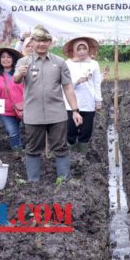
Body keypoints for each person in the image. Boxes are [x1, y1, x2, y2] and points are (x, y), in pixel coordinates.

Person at [14, 25, 83, 182]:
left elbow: (67, 87)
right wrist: (20, 73)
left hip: (56, 114)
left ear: (50, 42)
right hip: (33, 114)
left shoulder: (59, 62)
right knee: (32, 149)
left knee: (60, 147)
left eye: (45, 41)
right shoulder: (23, 62)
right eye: (38, 40)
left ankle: (63, 181)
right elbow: (16, 79)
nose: (41, 44)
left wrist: (75, 110)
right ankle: (33, 182)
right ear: (33, 42)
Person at [62, 36, 103, 153]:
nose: (81, 52)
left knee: (86, 131)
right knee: (71, 130)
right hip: (70, 104)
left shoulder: (94, 64)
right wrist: (76, 81)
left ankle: (82, 154)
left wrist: (98, 101)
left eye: (84, 48)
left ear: (88, 49)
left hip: (88, 103)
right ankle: (71, 153)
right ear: (73, 50)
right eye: (78, 49)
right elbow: (64, 84)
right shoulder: (67, 64)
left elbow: (96, 83)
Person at [0, 47, 25, 152]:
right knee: (12, 131)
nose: (6, 59)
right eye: (3, 57)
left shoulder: (20, 73)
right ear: (0, 60)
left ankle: (31, 151)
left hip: (24, 107)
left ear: (13, 59)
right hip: (6, 110)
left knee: (29, 131)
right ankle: (17, 151)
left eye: (8, 57)